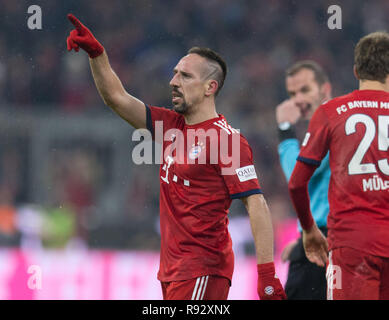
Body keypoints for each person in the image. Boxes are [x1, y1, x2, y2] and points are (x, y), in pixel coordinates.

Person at [66, 14, 286, 300]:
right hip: (172, 272)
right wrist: (97, 54)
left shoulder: (225, 138)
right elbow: (116, 98)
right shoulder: (171, 126)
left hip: (202, 270)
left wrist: (266, 274)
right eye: (174, 73)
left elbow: (256, 202)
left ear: (210, 88)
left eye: (185, 76)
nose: (173, 81)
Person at [288, 31, 389, 300]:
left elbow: (297, 182)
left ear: (356, 70)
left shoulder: (332, 112)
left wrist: (309, 230)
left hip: (351, 244)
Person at [275, 61, 332, 299]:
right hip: (325, 236)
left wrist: (285, 129)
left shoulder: (331, 123)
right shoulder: (336, 122)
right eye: (292, 94)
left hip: (326, 238)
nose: (298, 99)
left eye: (305, 90)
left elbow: (297, 176)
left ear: (325, 89)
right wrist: (303, 238)